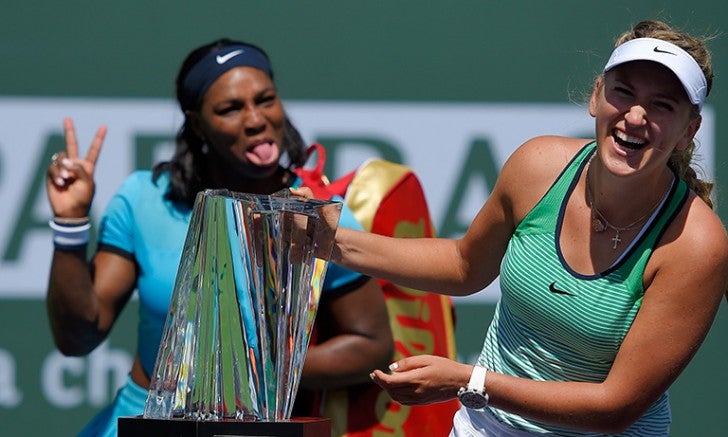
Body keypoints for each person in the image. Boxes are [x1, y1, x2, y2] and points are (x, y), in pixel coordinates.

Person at [298, 20, 728, 435]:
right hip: (484, 429)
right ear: (597, 96)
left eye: (662, 105)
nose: (635, 116)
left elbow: (614, 407)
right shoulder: (537, 165)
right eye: (624, 92)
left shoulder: (696, 245)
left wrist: (471, 381)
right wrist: (331, 240)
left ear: (689, 130)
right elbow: (465, 266)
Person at [45, 39, 393, 436]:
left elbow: (372, 344)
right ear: (197, 124)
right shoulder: (143, 198)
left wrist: (248, 371)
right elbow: (78, 337)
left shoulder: (318, 215)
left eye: (265, 100)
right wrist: (70, 224)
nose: (255, 119)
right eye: (230, 108)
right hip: (142, 422)